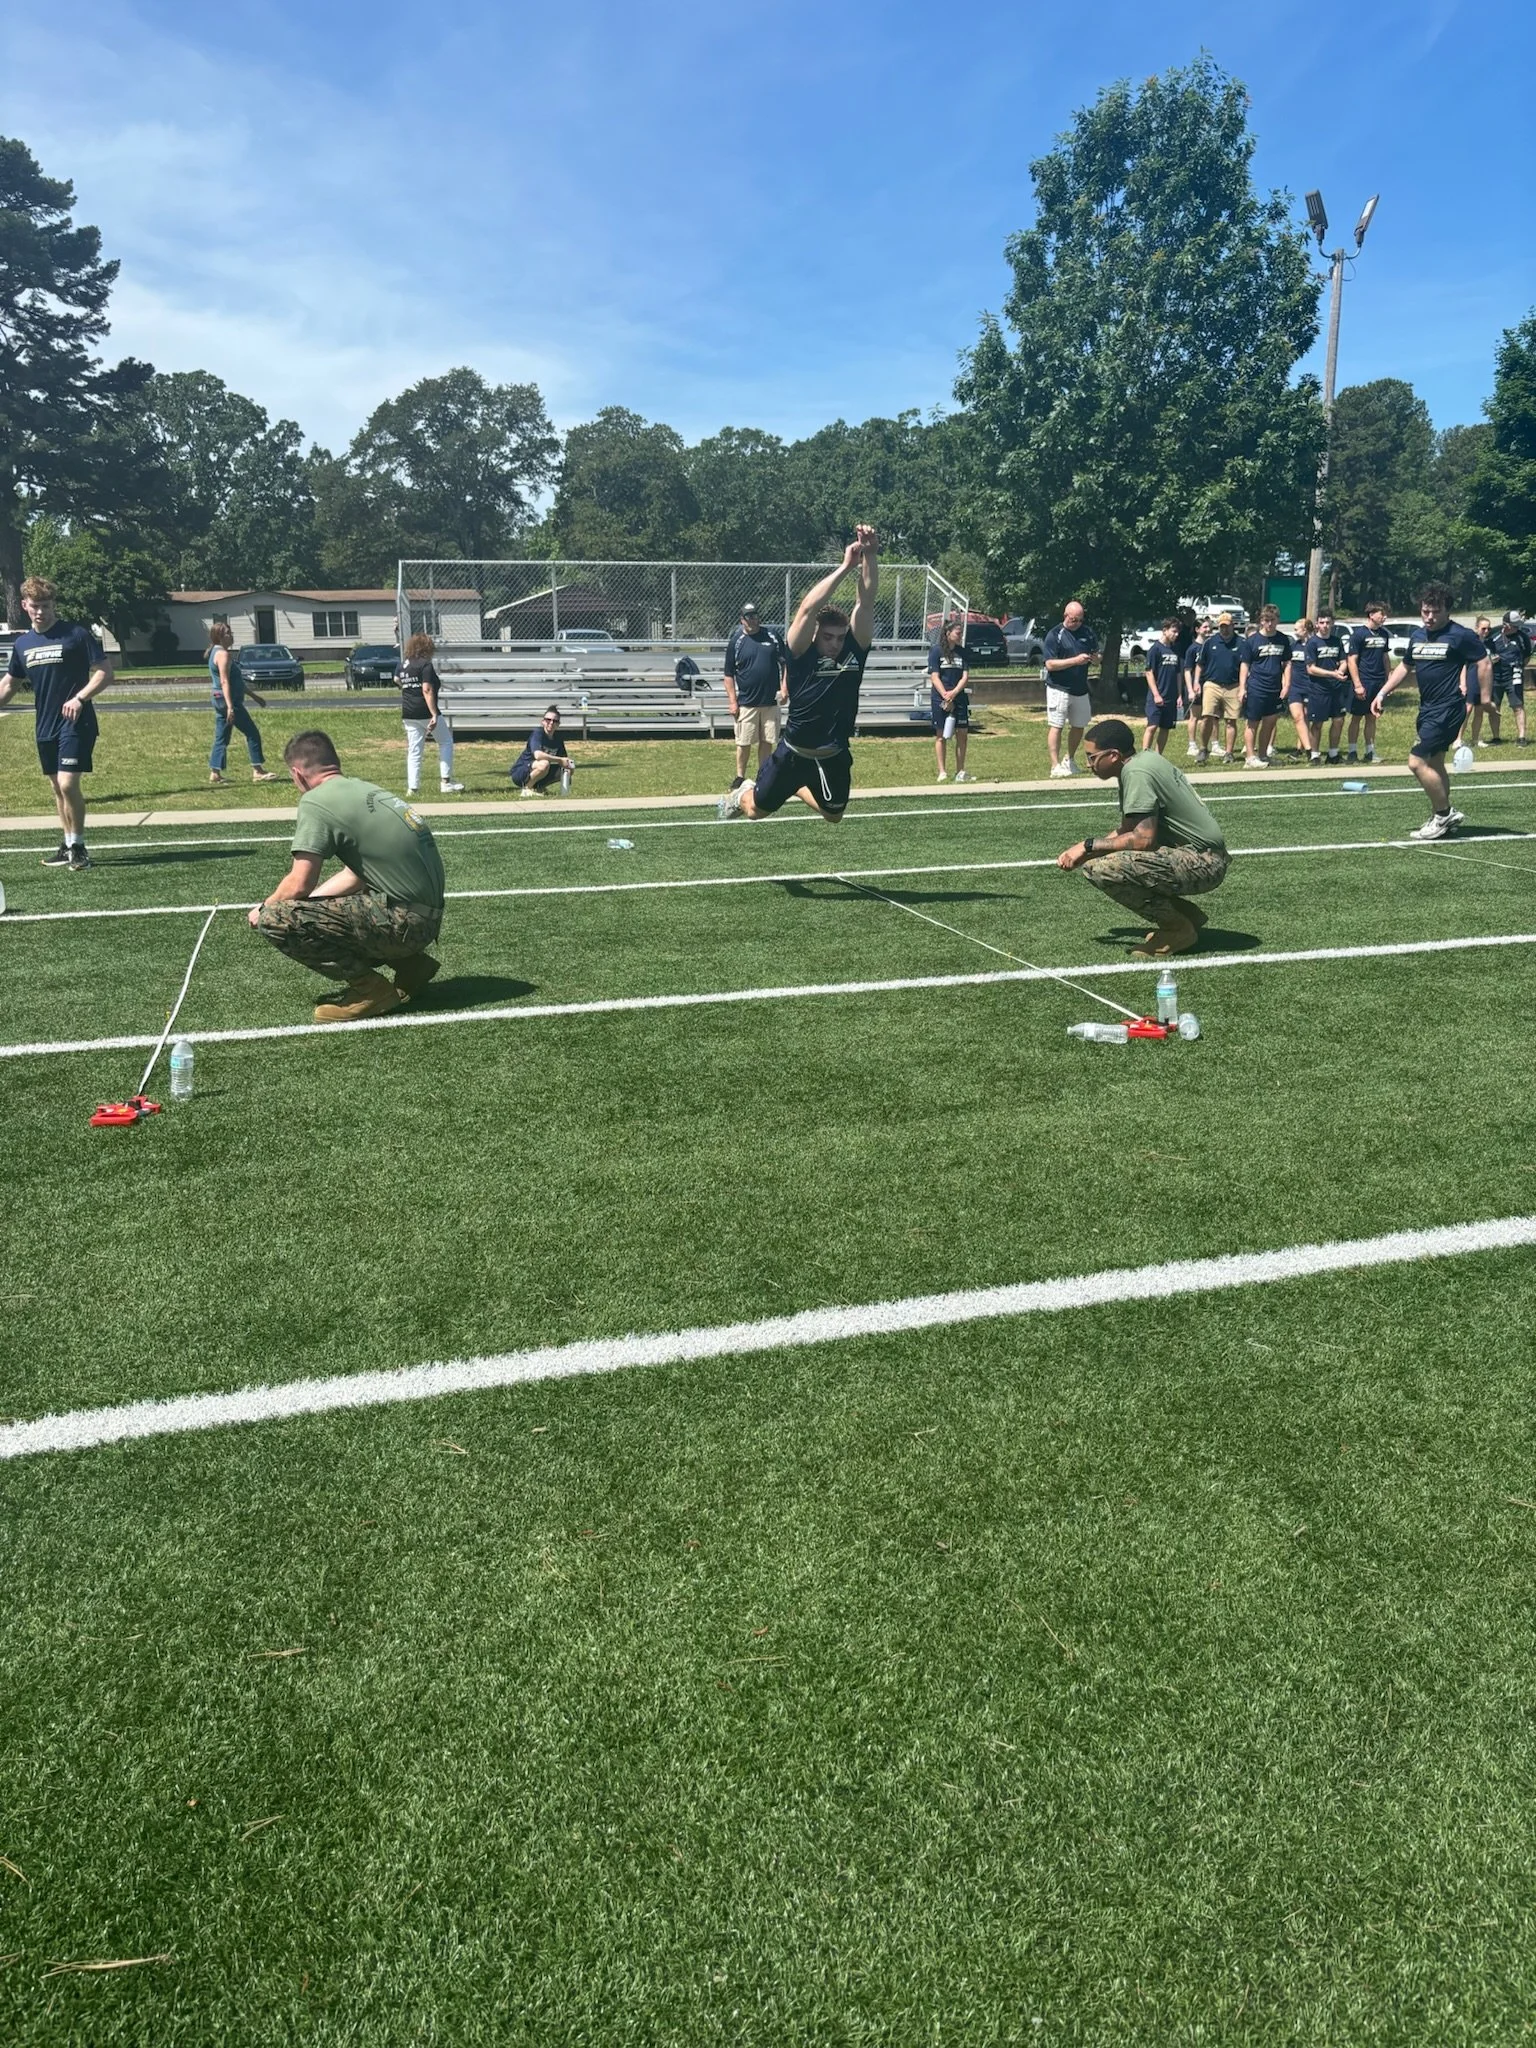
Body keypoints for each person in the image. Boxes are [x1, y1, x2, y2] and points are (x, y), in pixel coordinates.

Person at [248, 730, 446, 1022]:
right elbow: (356, 875)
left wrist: (266, 908)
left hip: (404, 924)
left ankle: (369, 989)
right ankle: (411, 966)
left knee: (275, 919)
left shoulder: (316, 801)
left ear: (297, 773)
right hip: (425, 921)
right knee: (322, 907)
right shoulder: (364, 790)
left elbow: (300, 881)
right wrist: (312, 909)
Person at [718, 527, 877, 824]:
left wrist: (870, 554)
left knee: (835, 815)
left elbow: (865, 603)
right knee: (754, 812)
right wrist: (845, 567)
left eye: (840, 638)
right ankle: (742, 792)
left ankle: (796, 789)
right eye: (828, 637)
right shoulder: (802, 653)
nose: (835, 643)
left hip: (834, 753)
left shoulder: (854, 653)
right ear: (817, 634)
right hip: (793, 753)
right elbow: (807, 608)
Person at [1055, 718, 1229, 958]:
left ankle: (1177, 928)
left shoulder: (1135, 772)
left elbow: (1143, 840)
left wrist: (1088, 846)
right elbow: (1128, 829)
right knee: (1102, 860)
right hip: (1204, 856)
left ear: (1113, 755)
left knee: (1102, 869)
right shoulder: (1143, 761)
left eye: (1092, 757)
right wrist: (1086, 851)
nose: (1088, 764)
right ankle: (1186, 916)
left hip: (1203, 862)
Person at [0, 575, 112, 869]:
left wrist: (80, 698)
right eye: (36, 606)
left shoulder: (75, 634)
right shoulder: (23, 644)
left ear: (54, 605)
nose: (41, 611)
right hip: (45, 725)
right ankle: (67, 844)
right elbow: (10, 684)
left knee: (67, 783)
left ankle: (79, 846)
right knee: (56, 788)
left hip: (76, 722)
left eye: (47, 606)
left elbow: (104, 672)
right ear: (25, 605)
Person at [1372, 582, 1491, 841]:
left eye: (1435, 612)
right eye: (1425, 611)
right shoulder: (1417, 636)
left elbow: (1483, 662)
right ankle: (1442, 817)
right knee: (1435, 762)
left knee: (1416, 762)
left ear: (1447, 611)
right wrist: (1382, 693)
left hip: (1448, 708)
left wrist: (1484, 697)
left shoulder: (1460, 635)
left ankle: (1443, 813)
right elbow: (1405, 667)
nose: (1429, 617)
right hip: (1427, 709)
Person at [722, 601, 787, 789]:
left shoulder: (772, 636)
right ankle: (740, 776)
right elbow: (728, 675)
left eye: (755, 615)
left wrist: (784, 689)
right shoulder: (736, 641)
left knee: (768, 740)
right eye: (748, 617)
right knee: (744, 741)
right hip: (747, 702)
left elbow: (785, 664)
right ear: (742, 620)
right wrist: (733, 702)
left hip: (770, 701)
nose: (753, 619)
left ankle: (763, 774)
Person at [206, 622, 275, 788]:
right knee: (252, 733)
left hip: (219, 698)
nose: (232, 635)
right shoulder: (222, 654)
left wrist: (254, 696)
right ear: (220, 636)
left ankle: (215, 773)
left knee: (222, 736)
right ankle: (257, 771)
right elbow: (224, 681)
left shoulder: (217, 652)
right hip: (228, 699)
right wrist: (230, 706)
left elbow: (236, 682)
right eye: (228, 633)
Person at [399, 631, 463, 795]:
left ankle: (413, 788)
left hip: (408, 712)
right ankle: (446, 782)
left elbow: (396, 680)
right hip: (425, 711)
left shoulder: (403, 664)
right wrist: (434, 713)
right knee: (445, 742)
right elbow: (427, 689)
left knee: (414, 750)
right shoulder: (425, 665)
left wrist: (408, 689)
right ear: (426, 648)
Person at [1040, 601, 1097, 776]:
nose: (1077, 623)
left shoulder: (1087, 632)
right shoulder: (1055, 634)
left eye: (1080, 620)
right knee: (1057, 725)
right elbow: (1050, 664)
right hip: (1059, 687)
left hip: (1080, 688)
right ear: (1065, 616)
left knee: (1079, 725)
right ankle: (1054, 765)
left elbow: (1097, 654)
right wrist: (1075, 660)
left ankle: (1069, 759)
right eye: (1074, 620)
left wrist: (1095, 659)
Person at [1239, 605, 1292, 768]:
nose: (1269, 624)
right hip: (1256, 686)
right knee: (1252, 722)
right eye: (1266, 620)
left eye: (1272, 620)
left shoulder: (1283, 639)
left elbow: (1287, 663)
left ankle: (1263, 755)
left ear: (1278, 620)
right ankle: (1250, 757)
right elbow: (1244, 665)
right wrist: (1242, 688)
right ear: (1261, 621)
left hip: (1274, 687)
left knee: (1270, 722)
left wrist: (1287, 684)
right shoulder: (1252, 641)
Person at [1195, 612, 1244, 764]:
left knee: (1231, 721)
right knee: (1207, 717)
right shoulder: (1210, 643)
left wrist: (1243, 687)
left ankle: (1229, 753)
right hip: (1212, 684)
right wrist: (1196, 682)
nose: (1225, 629)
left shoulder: (1241, 643)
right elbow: (1200, 664)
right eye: (1222, 626)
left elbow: (1245, 665)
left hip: (1233, 685)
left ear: (1232, 625)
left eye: (1227, 626)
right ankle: (1203, 748)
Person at [928, 615, 972, 781]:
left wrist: (954, 693)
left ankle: (960, 770)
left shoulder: (962, 652)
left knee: (962, 733)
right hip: (941, 698)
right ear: (947, 633)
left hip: (958, 697)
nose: (959, 635)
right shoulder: (936, 651)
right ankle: (942, 771)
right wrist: (945, 695)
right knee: (941, 735)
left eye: (960, 632)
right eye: (957, 632)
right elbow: (934, 676)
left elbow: (965, 676)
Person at [1303, 609, 1350, 764]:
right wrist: (1332, 674)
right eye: (1322, 623)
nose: (1325, 626)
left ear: (1332, 624)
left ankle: (1333, 754)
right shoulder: (1312, 643)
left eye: (1328, 623)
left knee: (1338, 721)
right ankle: (1315, 755)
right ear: (1317, 624)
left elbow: (1344, 661)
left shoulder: (1336, 641)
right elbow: (1311, 668)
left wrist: (1340, 671)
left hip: (1336, 689)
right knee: (1317, 723)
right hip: (1318, 689)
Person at [1346, 602, 1390, 762]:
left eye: (1385, 614)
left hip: (1378, 682)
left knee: (1372, 717)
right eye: (1381, 613)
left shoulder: (1384, 634)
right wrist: (1357, 684)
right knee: (1356, 717)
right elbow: (1351, 660)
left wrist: (1388, 680)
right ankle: (1352, 752)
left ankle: (1370, 752)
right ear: (1371, 615)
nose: (1384, 617)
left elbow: (1385, 658)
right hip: (1363, 681)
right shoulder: (1359, 634)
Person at [1484, 611, 1532, 746]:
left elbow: (1527, 656)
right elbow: (1484, 652)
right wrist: (1491, 660)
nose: (1517, 628)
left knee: (1517, 705)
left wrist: (1519, 667)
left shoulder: (1522, 637)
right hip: (1495, 676)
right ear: (1506, 625)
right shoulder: (1493, 634)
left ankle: (1521, 737)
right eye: (1515, 626)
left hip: (1514, 676)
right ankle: (1496, 737)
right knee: (1494, 706)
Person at [511, 705, 574, 797]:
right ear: (543, 722)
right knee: (544, 764)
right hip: (521, 771)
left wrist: (568, 767)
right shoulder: (538, 733)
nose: (551, 723)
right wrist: (560, 760)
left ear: (558, 724)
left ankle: (539, 787)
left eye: (555, 721)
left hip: (539, 771)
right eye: (548, 720)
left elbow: (563, 760)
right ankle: (527, 789)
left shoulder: (558, 738)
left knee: (569, 766)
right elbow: (538, 755)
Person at [1142, 618, 1183, 754]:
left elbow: (1178, 674)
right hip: (1157, 696)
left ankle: (1158, 756)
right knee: (1152, 726)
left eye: (1178, 632)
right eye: (1174, 631)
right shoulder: (1155, 649)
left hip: (1171, 697)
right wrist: (1156, 694)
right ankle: (1145, 755)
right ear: (1165, 630)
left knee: (1165, 727)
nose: (1176, 635)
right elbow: (1149, 673)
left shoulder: (1175, 650)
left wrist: (1179, 695)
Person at [1283, 617, 1314, 759]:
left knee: (1305, 718)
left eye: (1297, 628)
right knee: (1297, 717)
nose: (1294, 631)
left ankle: (1300, 748)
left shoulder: (1313, 645)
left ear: (1306, 629)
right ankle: (1309, 751)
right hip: (1295, 686)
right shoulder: (1293, 646)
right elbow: (1286, 665)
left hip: (1310, 685)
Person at [1180, 618, 1210, 757]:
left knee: (1210, 717)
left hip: (1209, 686)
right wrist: (1190, 690)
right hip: (1195, 686)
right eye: (1204, 627)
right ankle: (1192, 744)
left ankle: (1213, 744)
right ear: (1197, 630)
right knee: (1194, 717)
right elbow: (1187, 670)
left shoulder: (1210, 646)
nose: (1208, 630)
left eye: (1209, 627)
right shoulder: (1192, 649)